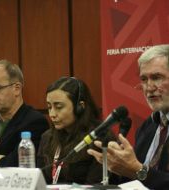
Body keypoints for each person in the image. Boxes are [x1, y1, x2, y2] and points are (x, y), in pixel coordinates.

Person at [87, 44, 169, 189]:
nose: (149, 88)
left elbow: (141, 173)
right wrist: (116, 167)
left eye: (157, 78)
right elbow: (135, 181)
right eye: (144, 79)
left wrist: (138, 170)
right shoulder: (147, 127)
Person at [37, 77, 114, 184]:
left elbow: (96, 185)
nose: (52, 114)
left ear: (80, 107)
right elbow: (39, 180)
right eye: (49, 107)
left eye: (58, 107)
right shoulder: (47, 137)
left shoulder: (100, 138)